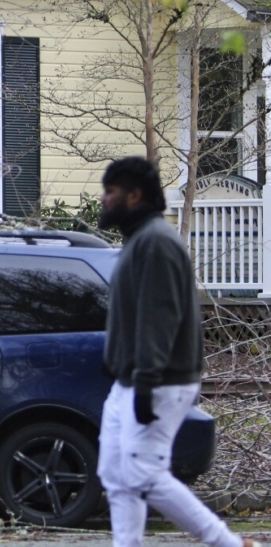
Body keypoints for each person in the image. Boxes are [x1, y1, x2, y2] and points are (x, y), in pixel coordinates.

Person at [96, 157, 261, 547]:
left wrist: (146, 382)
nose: (103, 199)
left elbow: (161, 316)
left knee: (143, 475)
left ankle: (229, 544)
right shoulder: (141, 239)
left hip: (159, 381)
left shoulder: (156, 242)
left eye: (111, 191)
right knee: (117, 474)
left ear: (134, 196)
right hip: (132, 379)